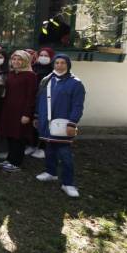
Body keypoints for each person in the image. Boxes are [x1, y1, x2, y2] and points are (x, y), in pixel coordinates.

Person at [35, 54, 86, 198]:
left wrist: (72, 123)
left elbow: (77, 106)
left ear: (68, 65)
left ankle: (68, 183)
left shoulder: (75, 83)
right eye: (56, 62)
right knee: (49, 149)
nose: (59, 65)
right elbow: (40, 100)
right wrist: (37, 116)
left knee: (65, 154)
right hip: (47, 123)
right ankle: (51, 172)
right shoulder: (46, 80)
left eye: (63, 63)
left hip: (63, 125)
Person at [0, 50, 38, 173]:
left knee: (19, 137)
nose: (16, 62)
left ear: (25, 61)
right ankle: (10, 159)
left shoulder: (30, 76)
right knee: (10, 135)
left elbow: (31, 96)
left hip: (21, 111)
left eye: (19, 59)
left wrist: (27, 114)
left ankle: (16, 163)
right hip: (9, 109)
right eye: (14, 59)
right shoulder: (11, 74)